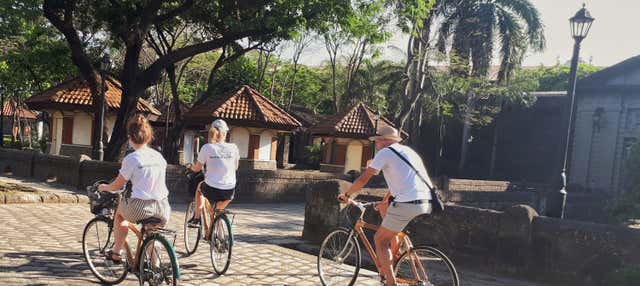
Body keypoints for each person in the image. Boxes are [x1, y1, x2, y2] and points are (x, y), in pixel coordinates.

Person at [337, 125, 433, 286]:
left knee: (379, 240)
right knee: (385, 211)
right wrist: (385, 200)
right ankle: (396, 255)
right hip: (427, 201)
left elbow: (363, 179)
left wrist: (347, 195)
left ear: (383, 140)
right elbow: (401, 182)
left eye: (377, 141)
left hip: (407, 203)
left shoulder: (385, 152)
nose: (376, 144)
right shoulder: (408, 152)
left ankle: (390, 282)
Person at [98, 115, 171, 263]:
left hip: (141, 207)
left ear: (130, 137)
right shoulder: (159, 157)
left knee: (119, 214)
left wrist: (105, 187)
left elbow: (117, 185)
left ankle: (116, 252)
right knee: (151, 231)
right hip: (163, 207)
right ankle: (155, 268)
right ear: (149, 136)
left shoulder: (131, 159)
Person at [187, 119, 239, 227]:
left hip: (212, 187)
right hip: (230, 190)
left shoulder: (207, 147)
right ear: (225, 134)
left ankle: (196, 218)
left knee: (199, 188)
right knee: (218, 210)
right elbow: (235, 167)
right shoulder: (234, 147)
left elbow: (197, 168)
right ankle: (217, 228)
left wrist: (190, 168)